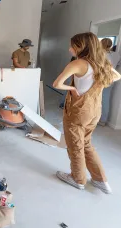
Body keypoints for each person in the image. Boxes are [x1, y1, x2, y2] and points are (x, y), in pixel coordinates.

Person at [52, 32, 120, 194]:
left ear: (81, 46)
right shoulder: (101, 62)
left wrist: (73, 88)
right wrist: (99, 84)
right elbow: (117, 76)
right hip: (94, 111)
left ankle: (78, 179)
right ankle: (100, 180)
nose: (70, 49)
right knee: (87, 144)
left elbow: (57, 84)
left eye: (73, 46)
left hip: (78, 111)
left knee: (75, 145)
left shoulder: (78, 64)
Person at [99, 38, 121, 125]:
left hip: (102, 78)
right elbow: (118, 64)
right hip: (112, 79)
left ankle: (98, 118)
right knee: (106, 99)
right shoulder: (117, 54)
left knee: (98, 98)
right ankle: (103, 120)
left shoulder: (101, 54)